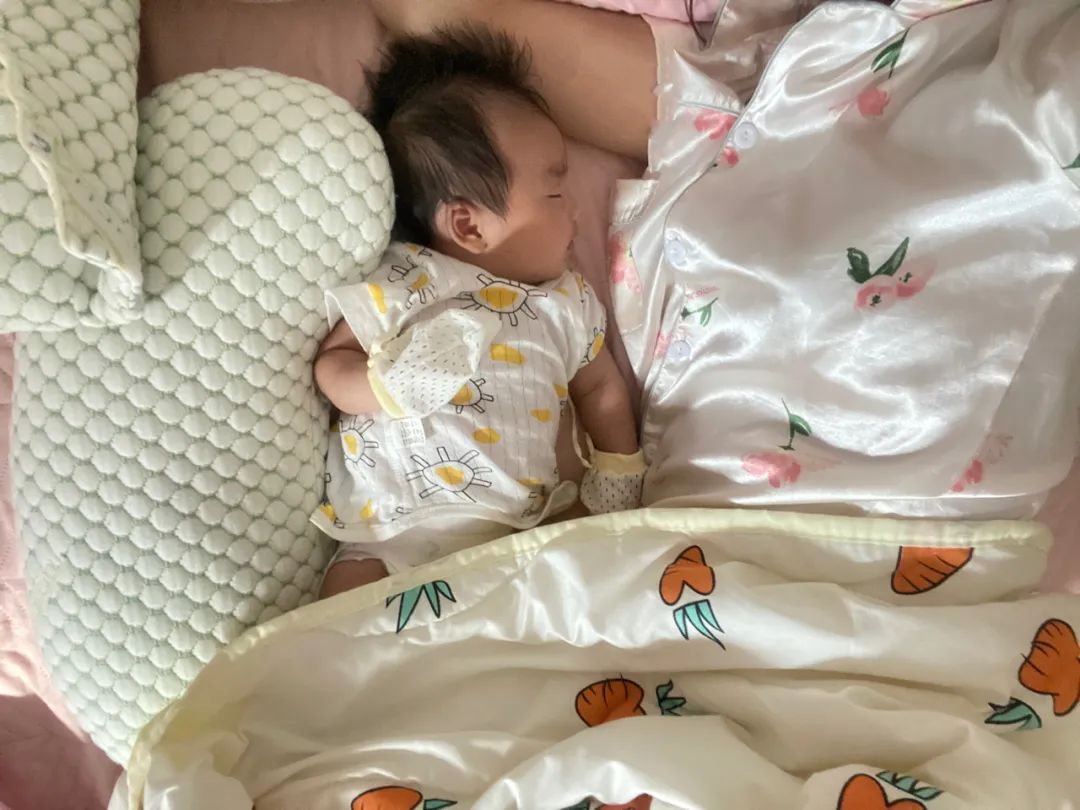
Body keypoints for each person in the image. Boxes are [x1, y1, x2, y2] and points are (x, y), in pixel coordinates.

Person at [313, 27, 643, 597]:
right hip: (391, 526)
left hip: (518, 529)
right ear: (468, 225)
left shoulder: (565, 302)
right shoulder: (411, 279)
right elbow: (332, 362)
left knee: (576, 590)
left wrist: (619, 473)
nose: (575, 214)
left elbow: (602, 390)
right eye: (556, 193)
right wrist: (383, 390)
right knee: (342, 615)